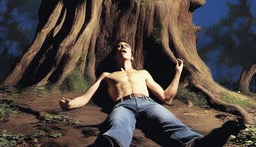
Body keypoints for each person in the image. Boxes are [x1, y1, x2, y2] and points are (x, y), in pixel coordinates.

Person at [59, 41, 243, 147]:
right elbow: (87, 95)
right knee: (118, 124)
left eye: (126, 45)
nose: (122, 46)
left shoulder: (143, 73)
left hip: (149, 104)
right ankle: (111, 144)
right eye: (119, 46)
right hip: (122, 105)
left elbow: (166, 98)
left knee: (172, 124)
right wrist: (72, 104)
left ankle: (198, 144)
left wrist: (178, 73)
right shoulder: (108, 75)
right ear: (115, 55)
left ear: (131, 55)